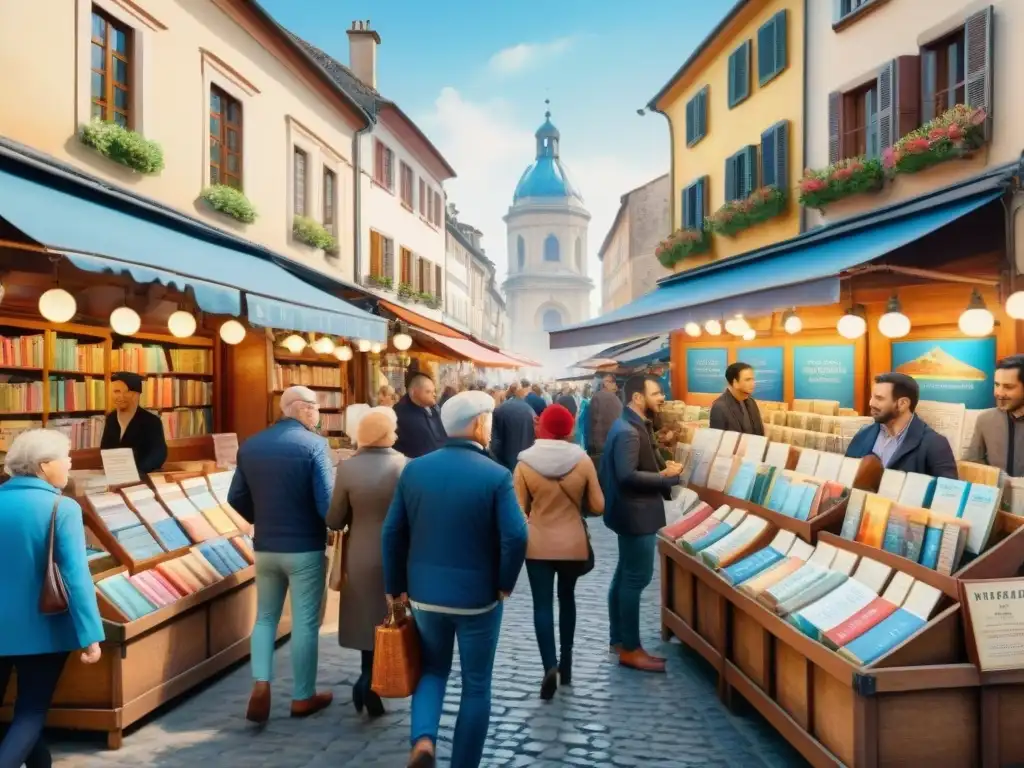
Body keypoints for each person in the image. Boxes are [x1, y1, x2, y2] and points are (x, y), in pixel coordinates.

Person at [382, 391, 528, 768]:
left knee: (432, 669)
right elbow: (515, 535)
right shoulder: (496, 475)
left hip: (425, 594)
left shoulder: (415, 469)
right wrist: (505, 582)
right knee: (476, 684)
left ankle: (424, 741)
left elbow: (392, 532)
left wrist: (394, 588)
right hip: (478, 596)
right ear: (480, 423)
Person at [228, 385, 334, 722]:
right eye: (316, 407)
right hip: (304, 546)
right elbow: (327, 503)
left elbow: (236, 496)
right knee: (304, 622)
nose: (318, 414)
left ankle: (261, 682)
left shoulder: (252, 445)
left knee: (265, 617)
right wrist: (332, 524)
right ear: (302, 409)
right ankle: (303, 695)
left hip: (266, 546)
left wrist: (262, 518)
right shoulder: (315, 445)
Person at [0, 429, 104, 768]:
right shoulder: (62, 508)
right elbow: (75, 575)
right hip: (43, 628)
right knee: (31, 710)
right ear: (44, 465)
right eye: (66, 456)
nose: (71, 462)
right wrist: (90, 634)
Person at [513, 404, 604, 700]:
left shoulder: (524, 463)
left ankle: (548, 665)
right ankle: (567, 662)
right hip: (573, 544)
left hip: (538, 543)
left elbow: (518, 510)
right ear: (568, 429)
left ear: (543, 428)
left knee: (542, 605)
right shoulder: (582, 460)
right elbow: (599, 505)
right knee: (567, 598)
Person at [326, 407, 406, 720]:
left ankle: (365, 676)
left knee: (364, 617)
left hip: (359, 553)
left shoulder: (348, 469)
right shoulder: (404, 465)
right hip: (395, 554)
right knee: (391, 615)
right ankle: (379, 678)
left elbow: (334, 518)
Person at [600, 375, 683, 673]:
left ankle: (619, 640)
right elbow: (627, 475)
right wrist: (667, 478)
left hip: (629, 512)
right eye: (657, 393)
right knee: (635, 578)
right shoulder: (629, 432)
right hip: (636, 514)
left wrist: (662, 465)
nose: (662, 397)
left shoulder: (631, 425)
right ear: (637, 397)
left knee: (625, 575)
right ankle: (631, 649)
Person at [846, 372, 957, 478]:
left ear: (903, 404)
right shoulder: (864, 434)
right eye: (872, 397)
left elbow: (948, 492)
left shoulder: (935, 444)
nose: (871, 403)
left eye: (879, 398)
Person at [99, 371, 168, 475]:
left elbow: (158, 454)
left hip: (141, 478)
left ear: (136, 394)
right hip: (113, 476)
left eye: (125, 392)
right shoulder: (111, 419)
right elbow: (105, 449)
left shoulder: (152, 422)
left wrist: (136, 471)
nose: (119, 396)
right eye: (116, 391)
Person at [965, 355, 1024, 475]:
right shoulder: (985, 419)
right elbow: (972, 461)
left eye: (1008, 387)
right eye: (997, 385)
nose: (999, 393)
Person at [393, 373, 447, 458]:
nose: (434, 395)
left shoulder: (434, 408)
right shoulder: (399, 415)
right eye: (428, 392)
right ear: (413, 392)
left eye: (434, 391)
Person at [490, 380, 537, 472]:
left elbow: (495, 442)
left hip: (504, 463)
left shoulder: (499, 410)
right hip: (525, 461)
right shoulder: (529, 410)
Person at [709, 362, 764, 435]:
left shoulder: (751, 401)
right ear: (735, 383)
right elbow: (717, 441)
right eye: (748, 380)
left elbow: (759, 433)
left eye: (753, 379)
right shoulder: (720, 407)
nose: (753, 383)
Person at [588, 374, 623, 463]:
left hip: (600, 442)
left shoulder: (597, 397)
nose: (615, 386)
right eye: (614, 383)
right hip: (613, 442)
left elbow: (593, 421)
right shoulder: (614, 398)